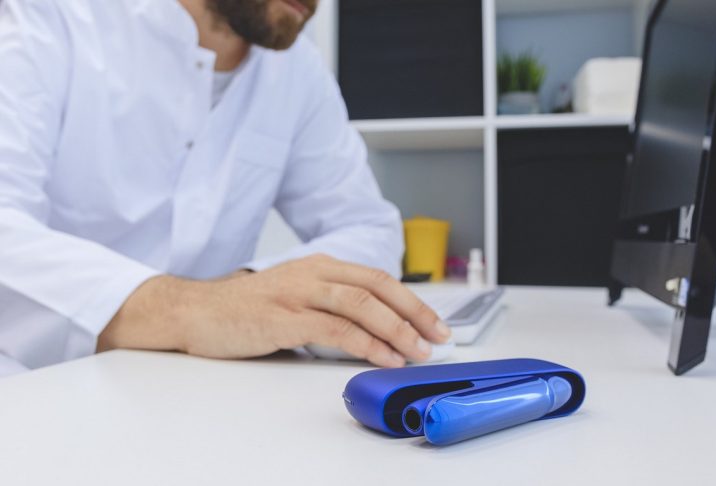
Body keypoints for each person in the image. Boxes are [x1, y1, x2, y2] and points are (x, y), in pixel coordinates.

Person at [0, 0, 452, 377]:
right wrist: (192, 309)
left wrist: (249, 291)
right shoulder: (51, 18)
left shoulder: (297, 70)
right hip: (36, 383)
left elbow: (369, 229)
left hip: (204, 387)